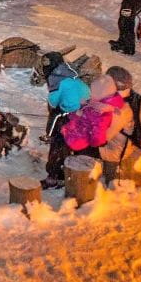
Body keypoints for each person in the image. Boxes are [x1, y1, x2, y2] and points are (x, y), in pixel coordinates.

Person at [39, 53, 92, 189]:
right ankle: (74, 172)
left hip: (69, 114)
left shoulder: (56, 79)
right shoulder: (69, 73)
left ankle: (54, 176)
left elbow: (53, 101)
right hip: (85, 111)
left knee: (59, 144)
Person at [100, 66, 137, 184]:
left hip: (115, 152)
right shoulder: (124, 99)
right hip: (118, 144)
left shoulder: (120, 108)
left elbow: (104, 137)